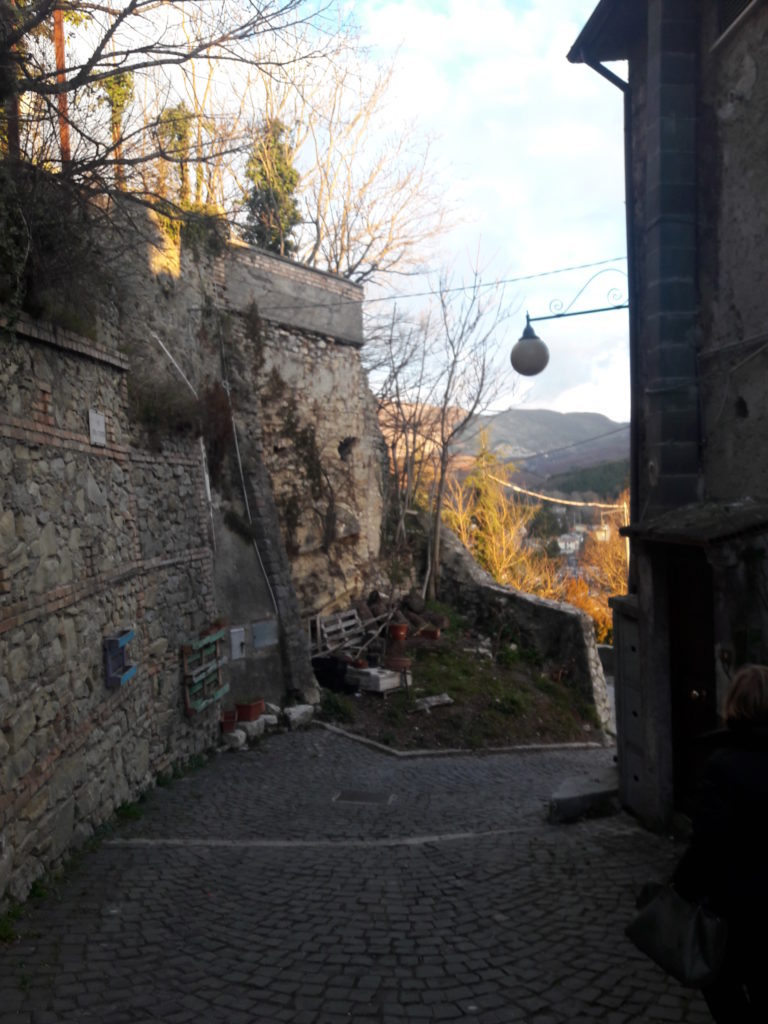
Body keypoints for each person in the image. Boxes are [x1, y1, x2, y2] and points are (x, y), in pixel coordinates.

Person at [673, 663, 768, 1022]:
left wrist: (679, 889)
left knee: (719, 983)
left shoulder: (721, 765)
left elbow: (708, 843)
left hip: (737, 909)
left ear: (734, 704)